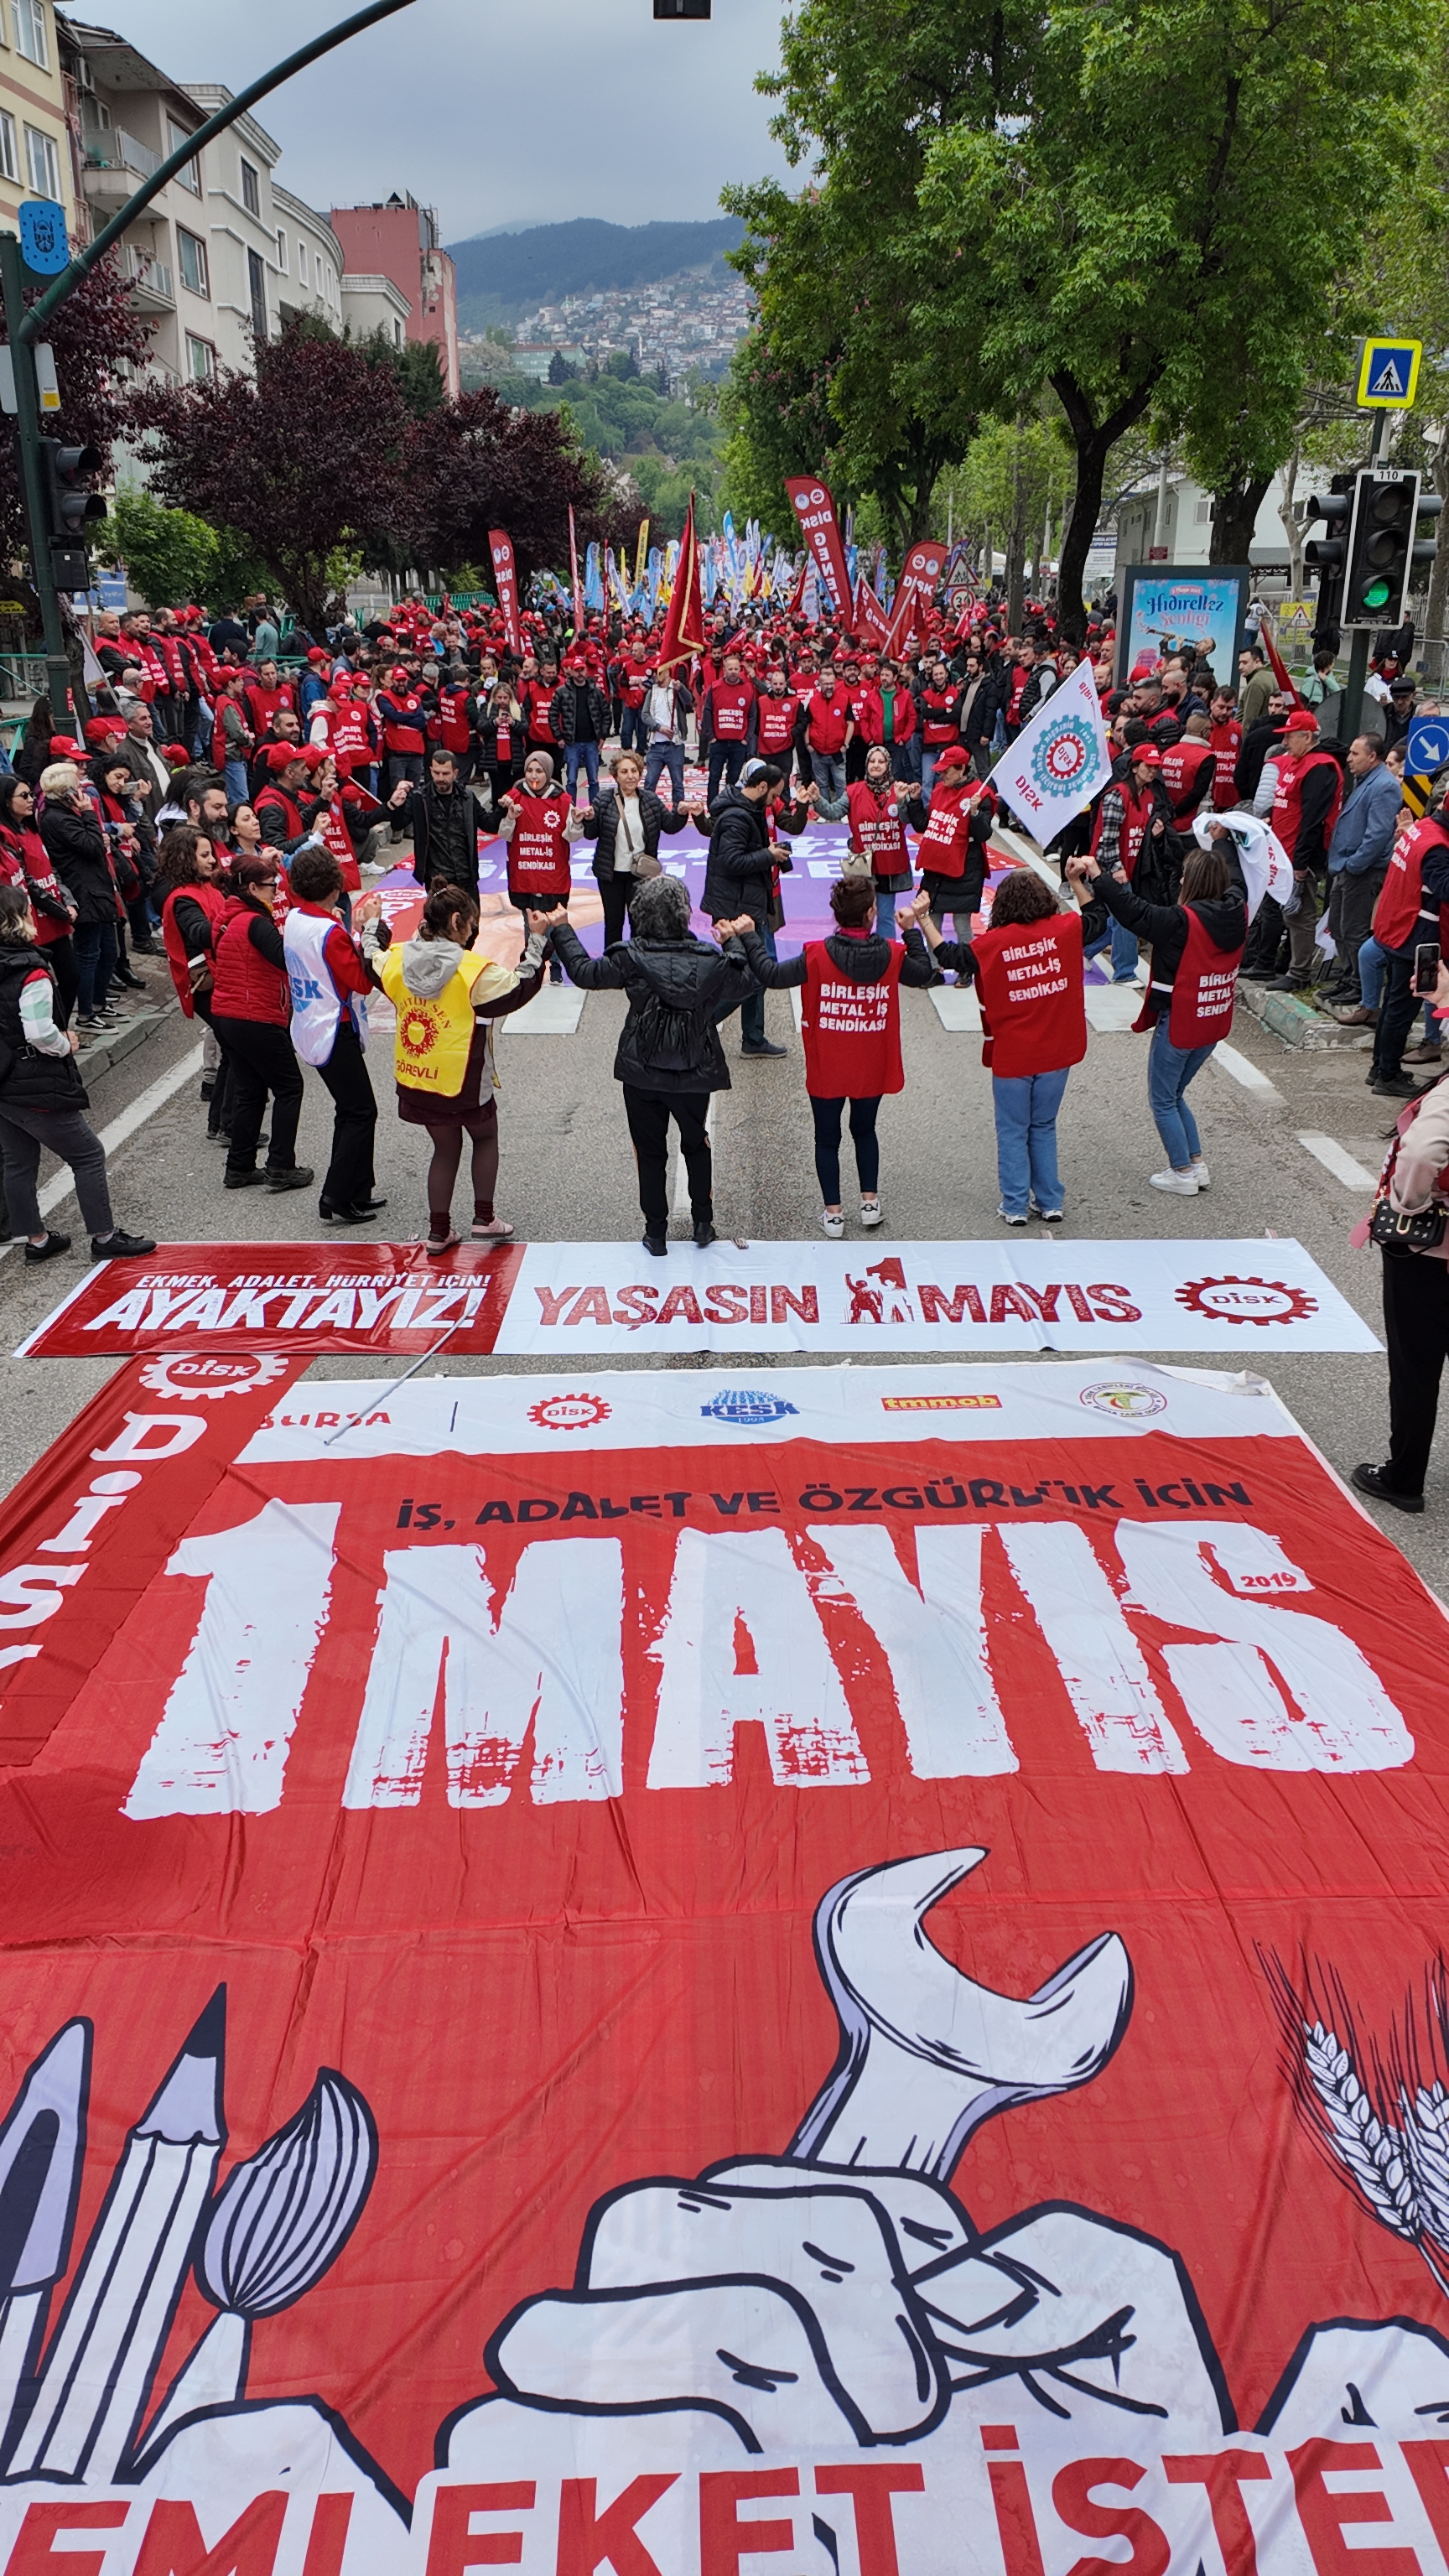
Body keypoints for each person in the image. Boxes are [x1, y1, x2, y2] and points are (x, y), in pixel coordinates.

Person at [537, 870, 752, 1254]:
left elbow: (584, 973)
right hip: (694, 1067)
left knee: (650, 1152)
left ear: (640, 914)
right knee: (696, 1142)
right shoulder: (710, 960)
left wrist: (563, 929)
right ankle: (703, 1222)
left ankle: (656, 1232)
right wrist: (735, 942)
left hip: (643, 1069)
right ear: (684, 914)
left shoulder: (630, 957)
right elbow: (749, 981)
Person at [719, 874, 936, 1235]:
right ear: (871, 914)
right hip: (871, 1063)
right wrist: (911, 931)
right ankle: (869, 1203)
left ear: (836, 914)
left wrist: (750, 936)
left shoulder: (816, 955)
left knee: (826, 1138)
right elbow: (925, 973)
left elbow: (771, 974)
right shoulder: (891, 954)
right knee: (865, 1130)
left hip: (829, 1064)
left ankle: (833, 1214)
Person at [372, 881, 545, 1253]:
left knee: (444, 1148)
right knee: (485, 1137)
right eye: (471, 924)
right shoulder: (473, 971)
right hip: (464, 1077)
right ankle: (484, 1218)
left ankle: (438, 1233)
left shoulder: (397, 959)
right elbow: (521, 986)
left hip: (419, 1077)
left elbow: (371, 956)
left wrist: (373, 925)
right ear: (456, 922)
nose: (473, 931)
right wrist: (538, 940)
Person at [1067, 842, 1246, 1194]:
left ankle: (1182, 1172)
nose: (1179, 880)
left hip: (1180, 1022)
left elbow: (1132, 912)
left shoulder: (1181, 921)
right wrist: (1225, 838)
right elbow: (1239, 877)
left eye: (1185, 876)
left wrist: (1097, 874)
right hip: (1213, 1022)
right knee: (1176, 1093)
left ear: (1193, 881)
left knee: (1163, 1099)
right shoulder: (1238, 910)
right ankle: (1196, 1163)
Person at [913, 870, 1088, 1225]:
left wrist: (922, 919)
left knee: (1012, 1130)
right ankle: (1050, 1201)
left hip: (1013, 1055)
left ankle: (1015, 1205)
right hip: (1057, 1054)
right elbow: (1099, 915)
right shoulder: (1066, 929)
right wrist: (1078, 881)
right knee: (1043, 1126)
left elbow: (948, 955)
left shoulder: (990, 946)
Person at [0, 886, 155, 1263]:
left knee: (18, 1162)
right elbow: (39, 1032)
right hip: (35, 1082)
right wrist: (65, 1044)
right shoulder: (30, 972)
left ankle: (36, 1240)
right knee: (87, 1154)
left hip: (4, 1081)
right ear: (20, 919)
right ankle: (104, 1236)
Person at [1351, 960, 1449, 1516]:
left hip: (1433, 1253)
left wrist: (1410, 1208)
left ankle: (1404, 1475)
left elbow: (1422, 1152)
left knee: (1416, 1367)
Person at [282, 846, 386, 1224]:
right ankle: (337, 1195)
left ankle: (357, 1190)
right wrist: (370, 931)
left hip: (309, 1022)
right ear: (334, 887)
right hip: (334, 1027)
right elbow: (362, 980)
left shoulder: (296, 918)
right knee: (361, 1111)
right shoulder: (329, 932)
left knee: (351, 1109)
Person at [210, 853, 311, 1195]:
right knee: (289, 1087)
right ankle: (281, 1166)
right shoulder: (255, 923)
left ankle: (238, 1167)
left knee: (250, 1091)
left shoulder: (226, 918)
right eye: (271, 886)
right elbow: (286, 960)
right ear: (252, 888)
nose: (277, 891)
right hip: (255, 1016)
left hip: (228, 1016)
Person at [701, 758, 791, 1057]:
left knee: (755, 974)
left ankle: (753, 1037)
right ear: (762, 786)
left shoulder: (748, 809)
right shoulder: (737, 816)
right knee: (750, 977)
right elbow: (731, 861)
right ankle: (699, 1023)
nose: (775, 802)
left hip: (747, 902)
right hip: (735, 907)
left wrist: (770, 854)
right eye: (774, 795)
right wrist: (768, 855)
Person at [155, 824, 232, 1140]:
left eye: (211, 853)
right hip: (206, 983)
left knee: (234, 1050)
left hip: (221, 977)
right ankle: (227, 1123)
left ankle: (221, 1122)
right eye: (204, 855)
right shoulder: (183, 899)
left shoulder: (208, 888)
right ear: (187, 859)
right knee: (236, 1048)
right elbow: (201, 933)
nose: (212, 860)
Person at [582, 748, 701, 947]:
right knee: (613, 924)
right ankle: (612, 962)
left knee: (640, 924)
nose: (630, 776)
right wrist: (590, 819)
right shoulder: (603, 800)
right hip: (610, 875)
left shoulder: (650, 800)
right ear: (615, 776)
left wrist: (680, 814)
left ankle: (638, 962)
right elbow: (590, 834)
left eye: (634, 771)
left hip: (641, 875)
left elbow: (670, 826)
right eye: (624, 772)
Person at [39, 761, 122, 1032]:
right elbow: (91, 846)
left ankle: (99, 1001)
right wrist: (89, 815)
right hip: (84, 892)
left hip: (97, 889)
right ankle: (86, 1013)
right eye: (77, 787)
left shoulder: (66, 814)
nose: (82, 791)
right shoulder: (57, 818)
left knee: (108, 951)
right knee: (88, 955)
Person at [1322, 735, 1402, 1005]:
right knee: (1338, 927)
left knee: (1353, 929)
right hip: (1346, 867)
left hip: (1363, 871)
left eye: (1355, 754)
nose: (1349, 759)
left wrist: (1355, 864)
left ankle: (1358, 985)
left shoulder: (1384, 786)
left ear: (1372, 756)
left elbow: (1378, 833)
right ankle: (1347, 978)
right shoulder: (1366, 781)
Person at [496, 749, 585, 985]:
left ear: (548, 773)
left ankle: (556, 966)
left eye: (539, 771)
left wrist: (576, 823)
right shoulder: (514, 797)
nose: (534, 776)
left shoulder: (562, 800)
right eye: (529, 770)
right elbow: (504, 834)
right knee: (531, 924)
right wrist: (510, 817)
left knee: (555, 924)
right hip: (524, 875)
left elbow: (572, 836)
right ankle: (533, 967)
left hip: (553, 876)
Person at [0, 774, 75, 1026]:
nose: (31, 800)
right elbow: (28, 883)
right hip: (33, 920)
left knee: (71, 977)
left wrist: (67, 900)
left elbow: (51, 871)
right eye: (24, 796)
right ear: (6, 801)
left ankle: (61, 1029)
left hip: (53, 917)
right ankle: (52, 1033)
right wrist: (61, 910)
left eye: (31, 794)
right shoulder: (6, 835)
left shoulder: (31, 829)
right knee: (44, 985)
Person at [841, 745, 917, 937]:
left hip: (889, 865)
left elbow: (908, 820)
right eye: (872, 761)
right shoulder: (853, 791)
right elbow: (833, 812)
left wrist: (902, 801)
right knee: (861, 916)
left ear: (888, 765)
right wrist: (816, 800)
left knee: (885, 916)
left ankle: (887, 952)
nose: (876, 765)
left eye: (881, 761)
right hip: (863, 866)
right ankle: (860, 949)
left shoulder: (899, 789)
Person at [390, 747, 486, 896]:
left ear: (455, 773)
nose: (440, 778)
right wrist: (396, 804)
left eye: (445, 773)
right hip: (437, 879)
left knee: (471, 912)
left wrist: (504, 808)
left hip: (465, 876)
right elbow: (398, 824)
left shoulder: (467, 797)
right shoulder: (420, 798)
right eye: (436, 773)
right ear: (430, 771)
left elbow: (489, 824)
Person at [550, 658, 610, 804]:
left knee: (594, 780)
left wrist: (602, 736)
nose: (580, 673)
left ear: (586, 670)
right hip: (571, 742)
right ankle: (571, 809)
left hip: (592, 742)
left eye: (582, 670)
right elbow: (552, 715)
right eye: (576, 670)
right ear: (571, 672)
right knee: (571, 780)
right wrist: (559, 736)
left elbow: (606, 714)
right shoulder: (562, 692)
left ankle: (595, 809)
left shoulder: (596, 692)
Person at [642, 667, 693, 806]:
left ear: (667, 673)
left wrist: (681, 689)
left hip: (675, 746)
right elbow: (645, 715)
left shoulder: (676, 689)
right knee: (650, 783)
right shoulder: (652, 691)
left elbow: (689, 700)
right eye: (654, 673)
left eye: (658, 672)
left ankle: (678, 812)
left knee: (678, 784)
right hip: (655, 745)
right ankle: (648, 811)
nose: (655, 675)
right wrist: (658, 727)